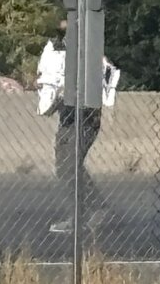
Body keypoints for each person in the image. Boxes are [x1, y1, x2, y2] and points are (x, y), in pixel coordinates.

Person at [36, 17, 120, 234]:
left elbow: (105, 76)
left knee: (70, 165)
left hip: (85, 117)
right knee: (65, 167)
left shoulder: (88, 53)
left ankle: (94, 211)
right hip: (68, 116)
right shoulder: (59, 54)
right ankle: (83, 214)